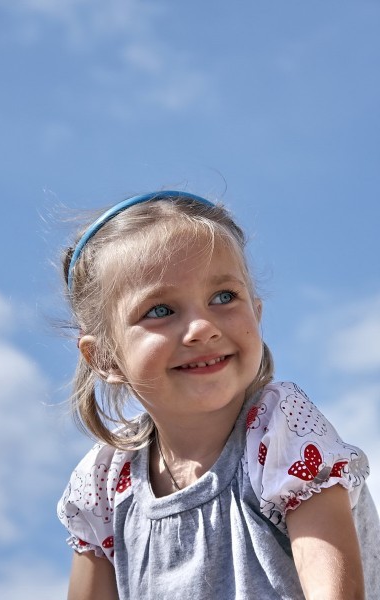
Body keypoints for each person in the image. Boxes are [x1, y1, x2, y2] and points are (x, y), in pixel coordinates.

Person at [57, 191, 379, 600]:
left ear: (256, 313)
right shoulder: (104, 480)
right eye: (160, 310)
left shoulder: (280, 430)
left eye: (223, 297)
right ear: (105, 356)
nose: (203, 328)